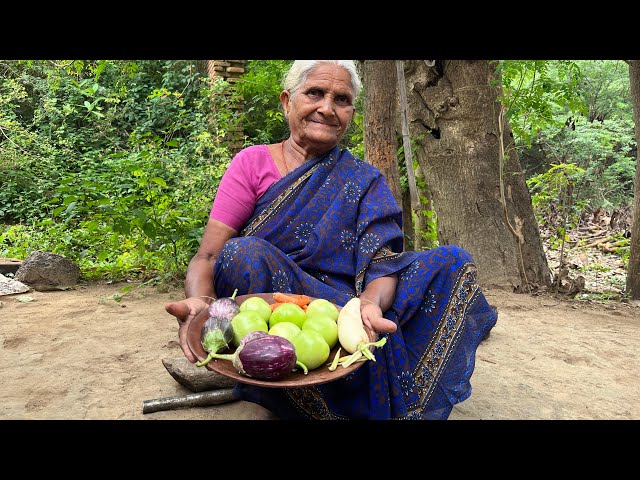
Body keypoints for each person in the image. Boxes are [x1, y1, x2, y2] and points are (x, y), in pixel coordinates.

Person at [165, 60, 497, 420]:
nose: (327, 108)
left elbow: (382, 263)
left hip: (344, 306)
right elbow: (209, 256)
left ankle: (369, 358)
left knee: (451, 261)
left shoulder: (364, 179)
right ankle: (294, 390)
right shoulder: (251, 164)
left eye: (341, 99)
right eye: (314, 93)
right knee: (240, 254)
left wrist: (369, 305)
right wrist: (203, 303)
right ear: (286, 101)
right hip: (277, 303)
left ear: (351, 112)